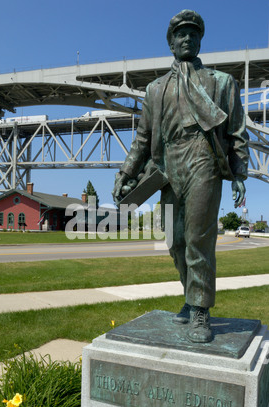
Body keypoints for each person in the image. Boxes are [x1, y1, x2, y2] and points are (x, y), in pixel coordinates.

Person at [112, 9, 249, 343]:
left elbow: (237, 131)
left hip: (204, 157)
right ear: (171, 43)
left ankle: (201, 310)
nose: (186, 39)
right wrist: (125, 172)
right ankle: (190, 299)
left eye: (192, 34)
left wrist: (240, 172)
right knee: (174, 240)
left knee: (199, 238)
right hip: (168, 165)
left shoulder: (222, 83)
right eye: (180, 35)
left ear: (200, 40)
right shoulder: (156, 89)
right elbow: (143, 139)